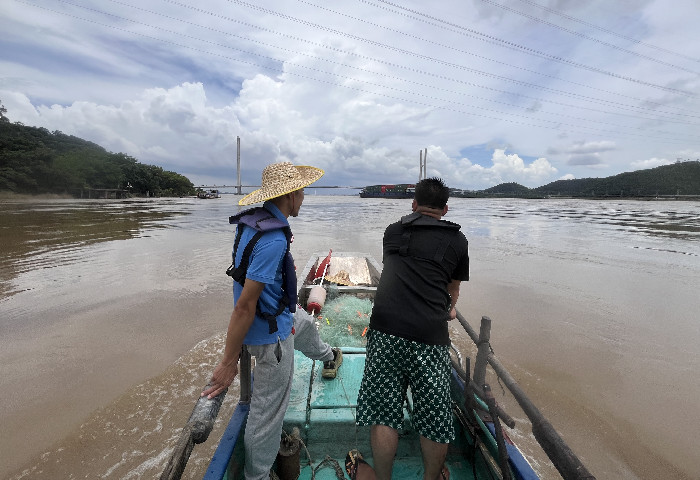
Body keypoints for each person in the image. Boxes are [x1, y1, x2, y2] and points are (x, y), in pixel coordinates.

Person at [202, 161, 342, 480]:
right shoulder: (274, 239)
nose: (304, 198)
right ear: (291, 195)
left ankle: (328, 355)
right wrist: (226, 362)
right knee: (267, 417)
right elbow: (245, 305)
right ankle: (259, 476)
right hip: (270, 338)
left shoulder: (251, 222)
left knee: (302, 321)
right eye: (302, 192)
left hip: (276, 315)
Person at [355, 177, 469, 480]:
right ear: (445, 208)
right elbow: (451, 291)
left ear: (413, 204)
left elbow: (399, 272)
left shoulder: (393, 231)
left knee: (383, 413)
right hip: (429, 337)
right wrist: (450, 309)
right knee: (434, 415)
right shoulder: (458, 241)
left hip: (386, 330)